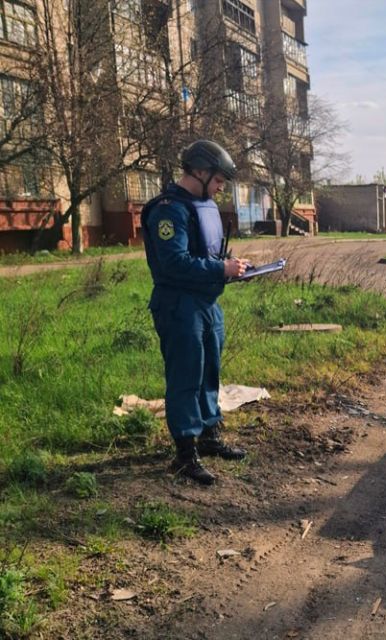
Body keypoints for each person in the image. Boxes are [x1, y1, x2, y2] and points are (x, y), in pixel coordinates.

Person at [141, 140, 249, 485]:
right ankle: (185, 454)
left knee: (208, 373)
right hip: (179, 305)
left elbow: (207, 253)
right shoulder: (169, 210)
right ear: (199, 172)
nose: (220, 189)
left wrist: (231, 267)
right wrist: (220, 270)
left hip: (207, 304)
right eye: (218, 181)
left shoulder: (203, 206)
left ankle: (209, 436)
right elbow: (174, 263)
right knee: (186, 377)